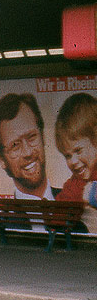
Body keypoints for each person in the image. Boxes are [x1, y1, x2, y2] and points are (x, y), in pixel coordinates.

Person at [0, 93, 59, 199]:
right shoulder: (6, 215)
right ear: (2, 159)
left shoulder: (70, 198)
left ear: (43, 137)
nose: (28, 152)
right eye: (15, 145)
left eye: (31, 137)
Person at [54, 92, 97, 232]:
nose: (73, 161)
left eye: (78, 151)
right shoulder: (75, 183)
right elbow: (59, 214)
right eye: (67, 155)